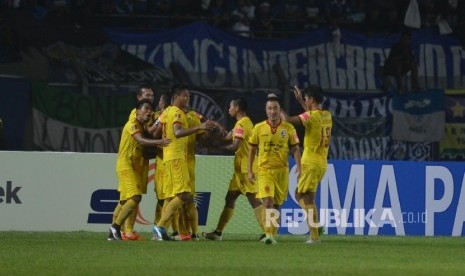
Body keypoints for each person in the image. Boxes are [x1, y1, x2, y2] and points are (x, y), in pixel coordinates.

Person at [152, 86, 216, 241]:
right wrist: (200, 126)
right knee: (184, 194)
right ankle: (160, 226)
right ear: (176, 96)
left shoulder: (165, 112)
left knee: (169, 197)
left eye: (188, 96)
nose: (187, 99)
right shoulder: (177, 112)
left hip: (167, 159)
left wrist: (159, 142)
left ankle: (159, 233)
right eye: (184, 96)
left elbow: (155, 131)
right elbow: (178, 132)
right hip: (176, 158)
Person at [202, 97, 265, 241]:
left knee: (254, 199)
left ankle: (269, 232)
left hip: (245, 169)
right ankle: (218, 233)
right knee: (230, 198)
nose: (229, 109)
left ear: (237, 108)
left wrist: (215, 148)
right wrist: (213, 135)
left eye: (231, 106)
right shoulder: (244, 122)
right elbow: (227, 137)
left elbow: (234, 145)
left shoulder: (241, 124)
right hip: (239, 170)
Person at [109, 99, 171, 241]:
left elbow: (147, 138)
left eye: (151, 109)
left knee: (126, 200)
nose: (149, 112)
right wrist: (159, 142)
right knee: (135, 197)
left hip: (135, 165)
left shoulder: (142, 126)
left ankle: (115, 231)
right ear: (137, 112)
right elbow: (142, 140)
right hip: (125, 164)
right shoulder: (132, 125)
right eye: (146, 109)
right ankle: (115, 228)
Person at [281, 85, 332, 244]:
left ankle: (315, 235)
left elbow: (288, 120)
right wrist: (301, 101)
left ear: (312, 99)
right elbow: (310, 115)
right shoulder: (327, 115)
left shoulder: (312, 117)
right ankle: (316, 228)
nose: (305, 101)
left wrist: (278, 106)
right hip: (322, 163)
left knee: (300, 196)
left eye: (306, 98)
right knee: (309, 198)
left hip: (310, 162)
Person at [248, 93, 301, 245]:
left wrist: (299, 167)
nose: (272, 111)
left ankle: (272, 234)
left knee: (277, 204)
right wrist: (250, 171)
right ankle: (268, 234)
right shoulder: (258, 128)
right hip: (264, 170)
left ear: (280, 110)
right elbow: (251, 150)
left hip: (282, 171)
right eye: (269, 108)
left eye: (275, 108)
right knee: (268, 201)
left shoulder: (288, 128)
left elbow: (296, 149)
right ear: (266, 110)